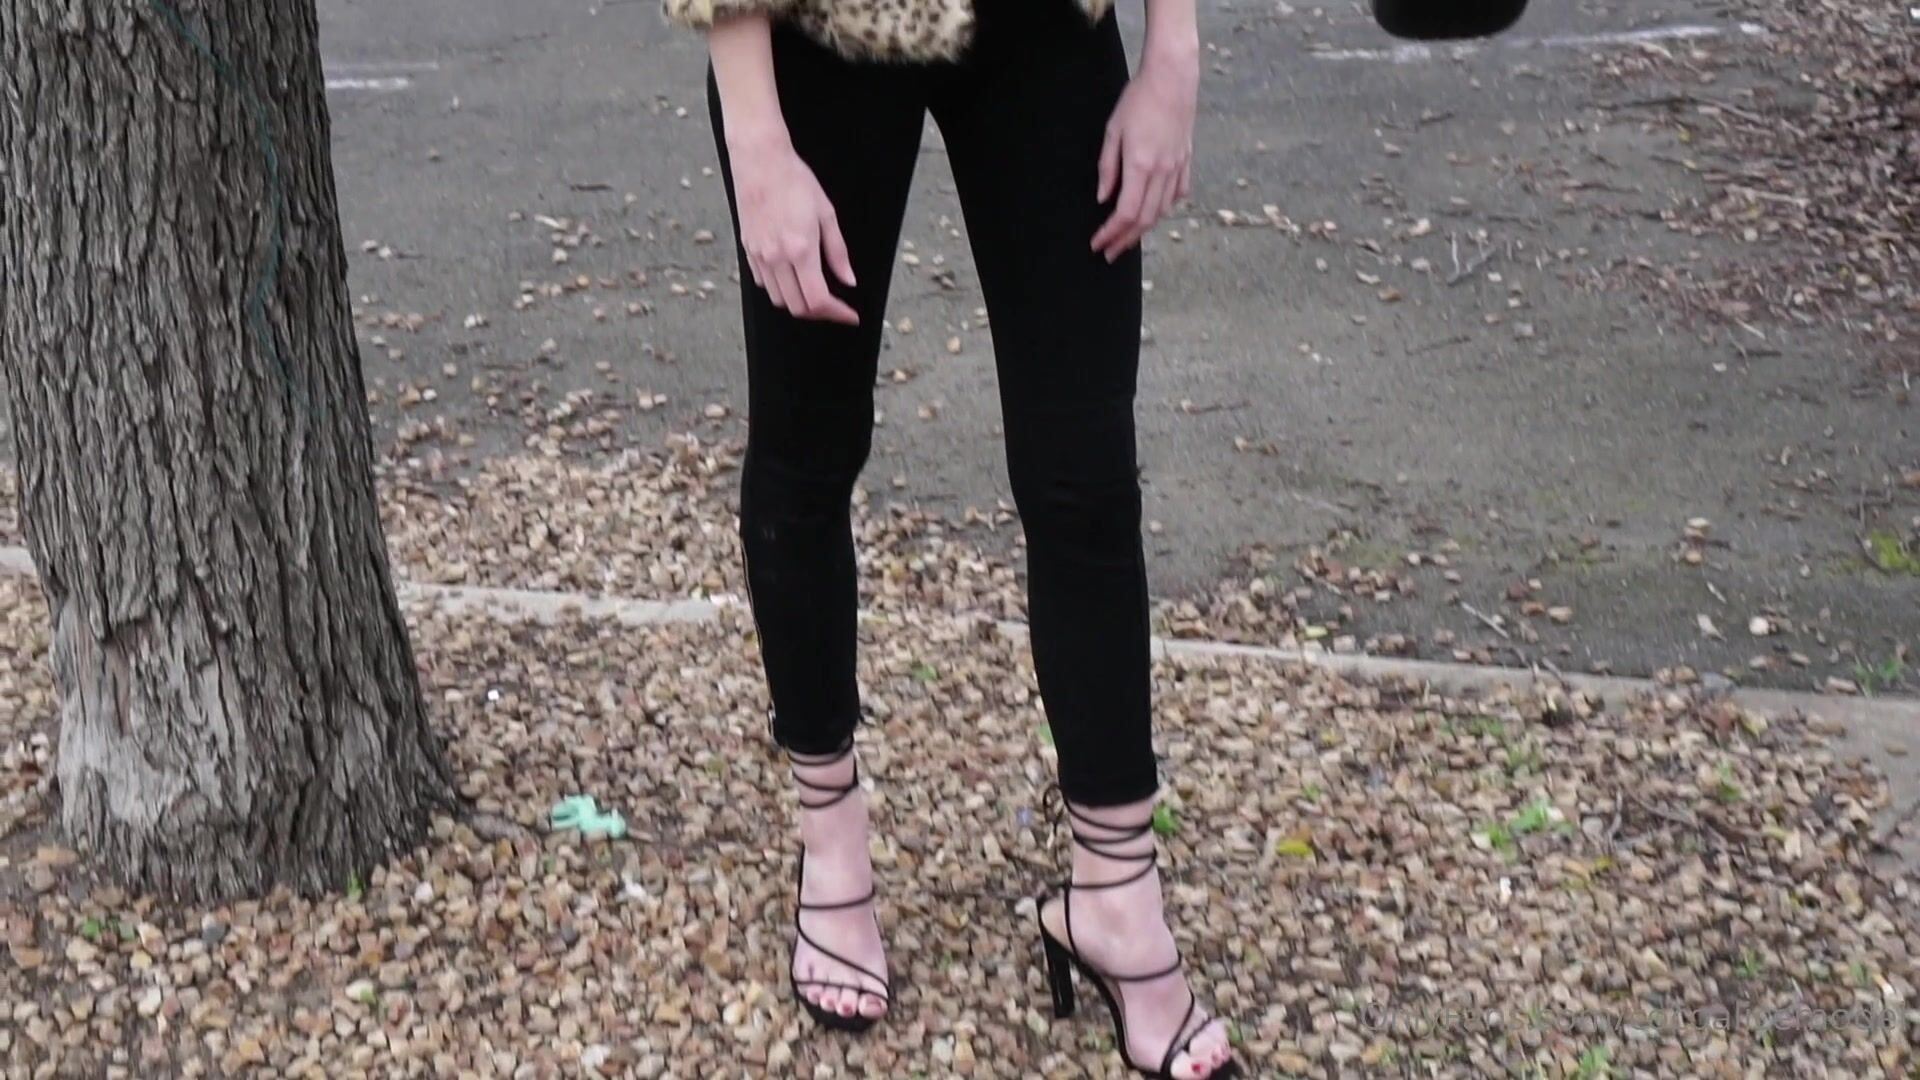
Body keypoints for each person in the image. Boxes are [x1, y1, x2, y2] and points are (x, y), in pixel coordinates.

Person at [665, 0, 1242, 1075]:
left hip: (1048, 28)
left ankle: (1119, 896)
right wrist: (757, 140)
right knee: (806, 453)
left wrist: (1175, 51)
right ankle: (832, 845)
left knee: (1087, 480)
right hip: (821, 34)